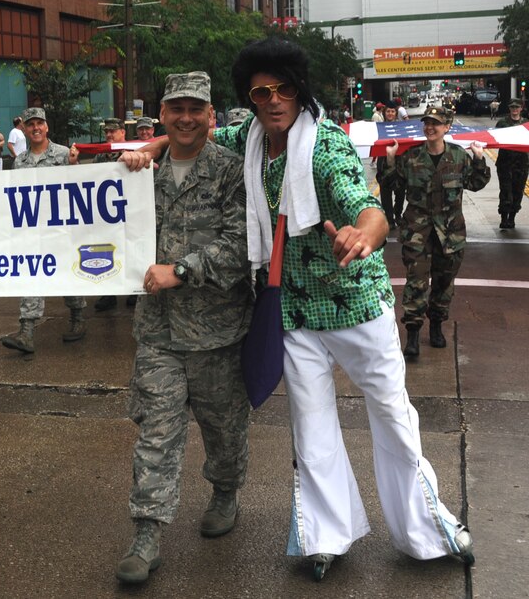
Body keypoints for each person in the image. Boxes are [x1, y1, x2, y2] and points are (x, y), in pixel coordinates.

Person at [123, 37, 474, 579]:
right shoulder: (249, 138)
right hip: (296, 314)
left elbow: (367, 207)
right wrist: (150, 149)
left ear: (299, 89)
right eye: (261, 91)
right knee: (312, 429)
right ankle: (326, 537)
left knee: (392, 419)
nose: (273, 99)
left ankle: (429, 531)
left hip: (354, 304)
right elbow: (192, 136)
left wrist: (364, 234)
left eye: (283, 88)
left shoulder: (326, 145)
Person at [115, 72, 253, 586]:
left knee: (223, 430)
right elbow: (81, 207)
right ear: (163, 114)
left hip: (218, 331)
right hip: (158, 333)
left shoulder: (231, 171)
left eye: (196, 109)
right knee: (156, 432)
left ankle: (225, 491)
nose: (187, 118)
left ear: (211, 115)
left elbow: (241, 245)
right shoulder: (139, 172)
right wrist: (125, 162)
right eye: (177, 109)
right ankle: (146, 534)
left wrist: (183, 269)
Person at [380, 103, 490, 357]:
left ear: (447, 127)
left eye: (436, 124)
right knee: (416, 282)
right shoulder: (411, 157)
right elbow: (392, 184)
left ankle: (437, 326)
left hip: (450, 234)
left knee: (443, 282)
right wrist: (389, 159)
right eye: (427, 123)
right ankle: (413, 334)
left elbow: (475, 183)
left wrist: (479, 158)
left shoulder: (459, 156)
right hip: (417, 233)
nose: (430, 127)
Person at [1, 107, 83, 354]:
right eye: (30, 124)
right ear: (24, 129)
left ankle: (78, 317)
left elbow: (81, 185)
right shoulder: (19, 161)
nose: (35, 128)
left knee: (69, 272)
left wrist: (74, 165)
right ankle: (27, 331)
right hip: (32, 230)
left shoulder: (63, 154)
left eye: (39, 123)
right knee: (31, 272)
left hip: (62, 227)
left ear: (46, 127)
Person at [92, 118, 130, 313]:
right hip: (106, 211)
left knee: (130, 247)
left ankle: (133, 290)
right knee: (107, 249)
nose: (108, 135)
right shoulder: (101, 156)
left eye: (113, 131)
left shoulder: (133, 152)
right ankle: (109, 292)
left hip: (129, 209)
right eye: (106, 131)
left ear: (122, 132)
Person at [494, 100, 529, 229]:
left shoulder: (526, 123)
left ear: (521, 108)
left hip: (521, 163)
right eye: (512, 107)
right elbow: (494, 137)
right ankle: (504, 218)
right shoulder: (502, 123)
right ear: (509, 108)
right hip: (505, 162)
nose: (514, 109)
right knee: (505, 191)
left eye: (517, 107)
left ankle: (512, 217)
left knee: (517, 191)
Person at [376, 105, 405, 229]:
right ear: (384, 112)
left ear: (396, 113)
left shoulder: (402, 128)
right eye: (388, 111)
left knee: (400, 193)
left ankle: (397, 215)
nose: (390, 113)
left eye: (393, 111)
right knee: (385, 195)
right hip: (383, 165)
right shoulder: (378, 128)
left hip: (399, 165)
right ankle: (389, 219)